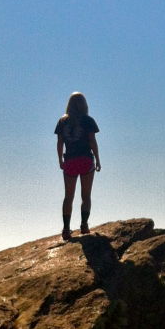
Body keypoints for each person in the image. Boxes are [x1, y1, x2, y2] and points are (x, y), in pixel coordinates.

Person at [55, 92, 101, 241]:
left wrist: (60, 160)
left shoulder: (62, 121)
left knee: (68, 196)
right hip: (86, 160)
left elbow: (60, 143)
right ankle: (84, 225)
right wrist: (98, 159)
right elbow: (92, 141)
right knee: (85, 196)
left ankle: (66, 229)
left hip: (70, 161)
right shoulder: (88, 120)